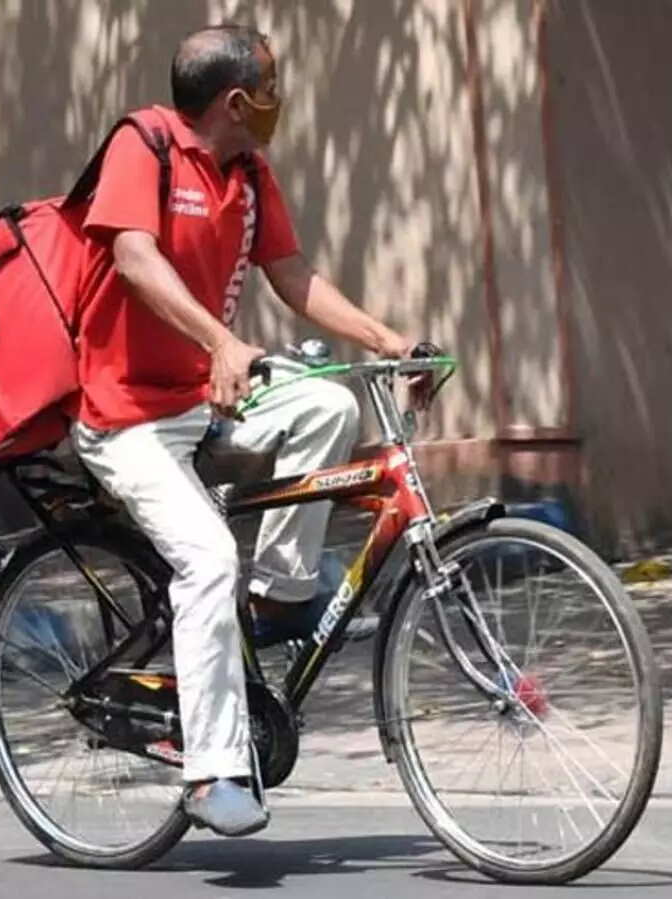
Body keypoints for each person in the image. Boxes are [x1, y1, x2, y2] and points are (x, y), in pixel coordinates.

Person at [72, 23, 422, 837]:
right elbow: (133, 257)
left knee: (328, 405)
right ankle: (212, 773)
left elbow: (293, 274)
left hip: (204, 400)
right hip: (126, 418)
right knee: (205, 559)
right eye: (270, 87)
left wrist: (389, 341)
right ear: (236, 101)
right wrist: (220, 341)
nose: (277, 101)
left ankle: (278, 597)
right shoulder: (144, 145)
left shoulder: (251, 173)